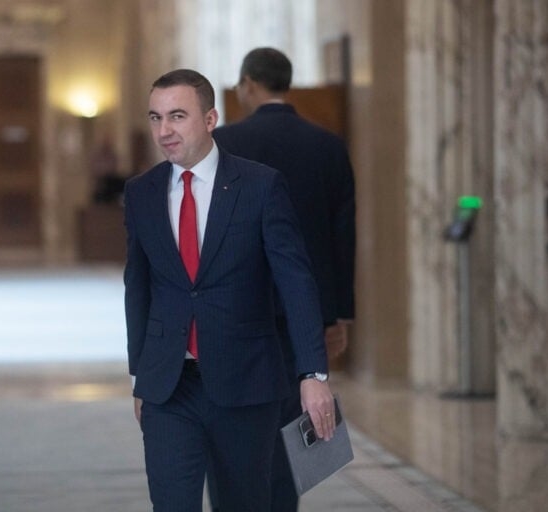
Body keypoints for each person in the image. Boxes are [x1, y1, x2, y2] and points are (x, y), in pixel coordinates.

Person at [123, 68, 336, 512]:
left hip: (245, 383)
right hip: (169, 387)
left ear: (210, 119)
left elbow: (295, 283)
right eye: (156, 117)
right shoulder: (142, 192)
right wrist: (141, 375)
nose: (164, 131)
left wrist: (313, 374)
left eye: (177, 116)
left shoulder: (260, 186)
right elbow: (137, 287)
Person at [210, 47, 356, 511]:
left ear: (248, 84)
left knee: (236, 421)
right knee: (294, 421)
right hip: (304, 311)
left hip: (237, 310)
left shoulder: (224, 143)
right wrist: (338, 314)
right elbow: (342, 235)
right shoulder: (327, 144)